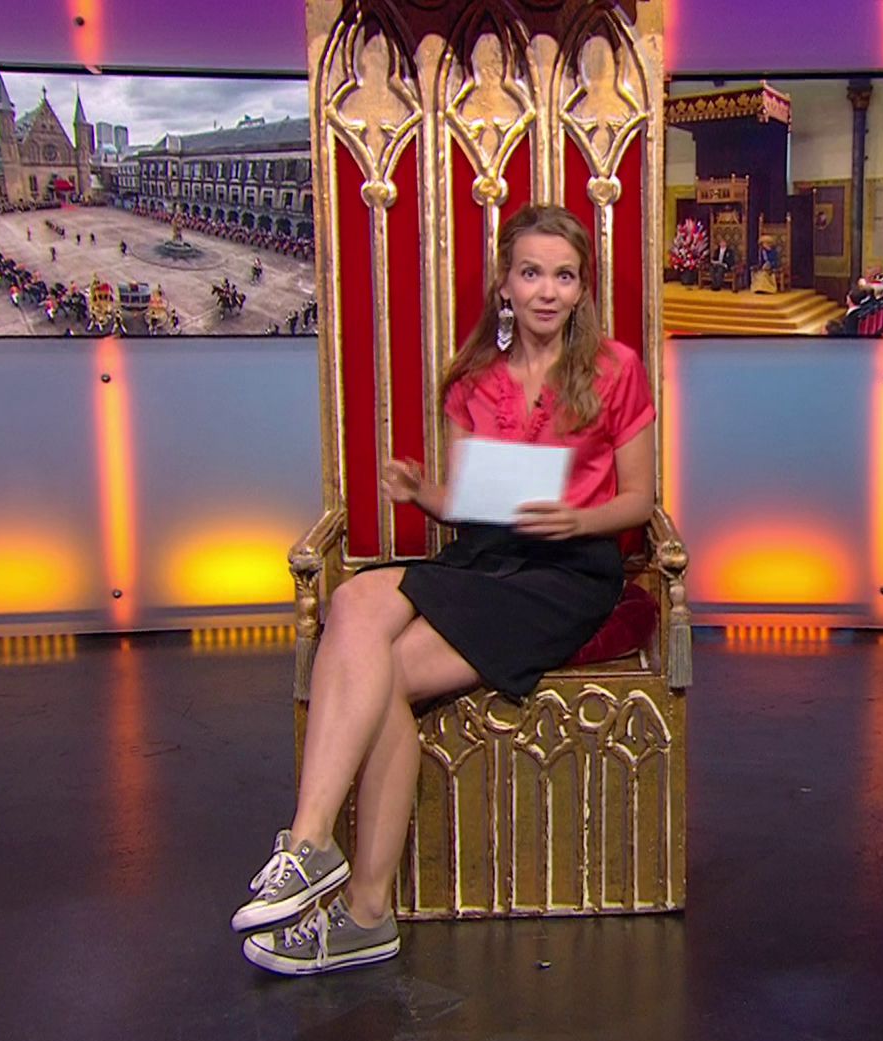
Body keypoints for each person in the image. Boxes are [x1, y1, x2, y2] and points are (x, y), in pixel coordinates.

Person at [232, 204, 657, 976]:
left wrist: (577, 517)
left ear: (582, 288)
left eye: (564, 276)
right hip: (485, 556)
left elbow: (639, 501)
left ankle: (363, 911)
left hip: (568, 572)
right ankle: (314, 846)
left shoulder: (616, 368)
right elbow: (471, 504)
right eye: (532, 273)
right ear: (505, 284)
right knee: (354, 605)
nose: (548, 291)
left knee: (382, 673)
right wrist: (421, 493)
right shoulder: (474, 379)